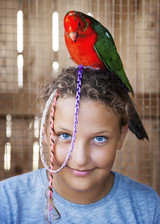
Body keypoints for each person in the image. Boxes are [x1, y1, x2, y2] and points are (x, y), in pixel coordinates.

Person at [0, 66, 160, 224]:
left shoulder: (147, 207)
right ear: (45, 132)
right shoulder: (6, 203)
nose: (80, 159)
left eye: (99, 139)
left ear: (121, 136)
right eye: (65, 136)